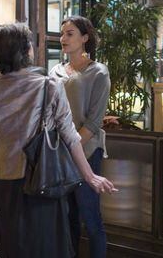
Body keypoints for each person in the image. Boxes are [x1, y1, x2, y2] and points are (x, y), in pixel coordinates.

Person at [0, 23, 116, 258]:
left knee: (11, 245)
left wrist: (0, 165)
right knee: (45, 245)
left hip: (4, 181)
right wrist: (90, 176)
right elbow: (69, 136)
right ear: (25, 51)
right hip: (41, 178)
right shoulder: (48, 85)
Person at [49, 16, 110, 258]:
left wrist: (70, 146)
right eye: (62, 34)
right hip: (59, 155)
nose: (63, 39)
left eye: (70, 33)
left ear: (85, 38)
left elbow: (94, 122)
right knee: (66, 218)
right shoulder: (55, 71)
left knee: (91, 218)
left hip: (86, 152)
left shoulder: (98, 72)